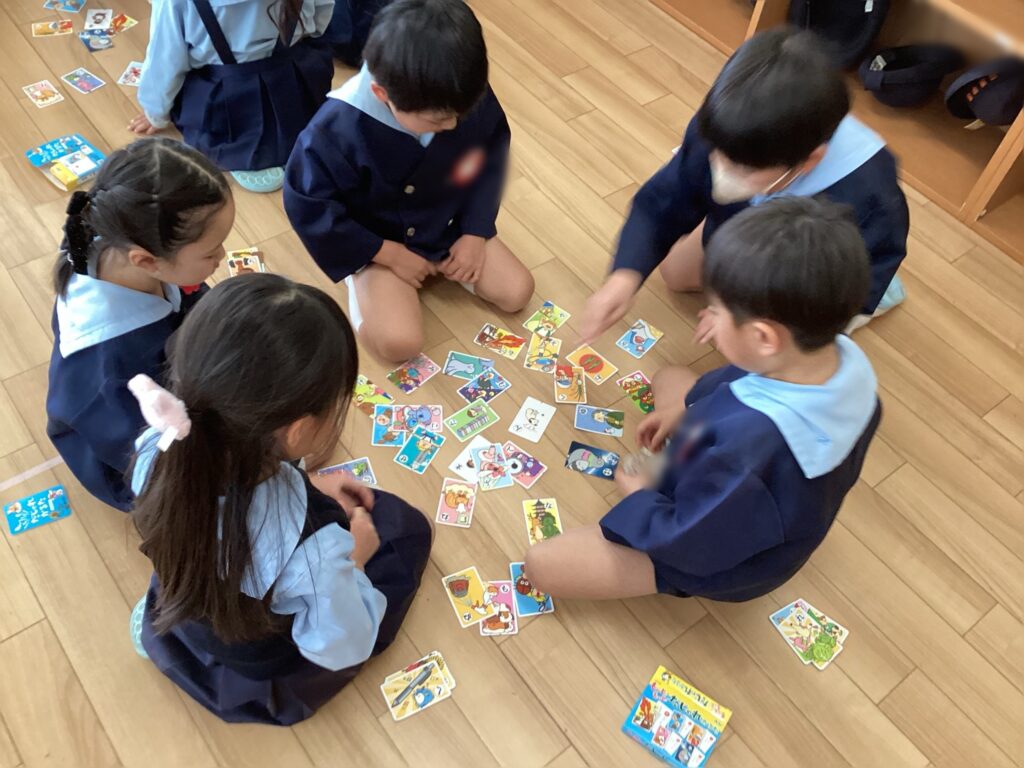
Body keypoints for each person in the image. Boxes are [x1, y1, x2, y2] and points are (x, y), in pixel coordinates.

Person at [525, 197, 881, 602]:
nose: (705, 317)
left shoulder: (750, 458)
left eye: (716, 311)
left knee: (542, 565)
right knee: (671, 379)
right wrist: (682, 410)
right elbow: (738, 383)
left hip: (714, 549)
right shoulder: (835, 359)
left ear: (763, 337)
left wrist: (640, 495)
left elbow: (691, 542)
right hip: (736, 478)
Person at [128, 274, 433, 725]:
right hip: (257, 651)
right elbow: (340, 644)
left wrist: (303, 485)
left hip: (187, 600)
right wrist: (355, 560)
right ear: (298, 430)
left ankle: (170, 642)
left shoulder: (161, 446)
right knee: (406, 529)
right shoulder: (316, 549)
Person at [581, 27, 909, 343]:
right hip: (753, 222)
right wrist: (625, 275)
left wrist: (746, 316)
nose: (720, 171)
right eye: (718, 155)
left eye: (742, 168)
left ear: (810, 161)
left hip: (818, 271)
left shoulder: (868, 196)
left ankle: (886, 296)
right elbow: (664, 199)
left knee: (753, 344)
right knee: (675, 274)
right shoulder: (726, 126)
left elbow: (835, 297)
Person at [284, 0, 534, 363]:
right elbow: (309, 205)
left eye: (459, 114)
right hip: (376, 241)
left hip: (444, 225)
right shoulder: (332, 132)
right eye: (437, 120)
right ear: (382, 95)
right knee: (399, 344)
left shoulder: (458, 93)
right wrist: (387, 254)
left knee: (517, 292)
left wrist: (474, 233)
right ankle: (362, 280)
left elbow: (489, 156)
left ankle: (444, 263)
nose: (453, 125)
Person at [46, 138, 233, 512]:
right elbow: (150, 459)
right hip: (135, 455)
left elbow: (191, 299)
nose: (223, 256)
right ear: (147, 261)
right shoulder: (108, 369)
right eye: (212, 252)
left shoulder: (120, 248)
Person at [131, 0, 335, 193]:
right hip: (297, 88)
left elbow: (165, 62)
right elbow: (320, 20)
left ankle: (243, 155)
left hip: (226, 104)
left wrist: (156, 113)